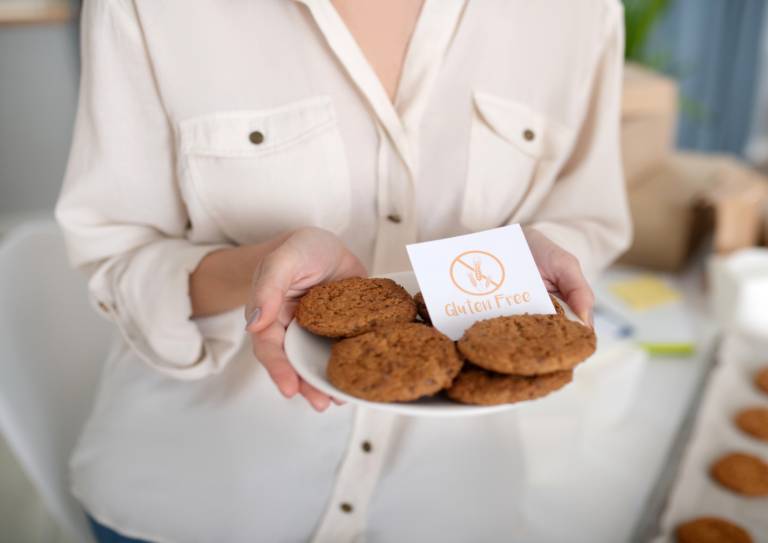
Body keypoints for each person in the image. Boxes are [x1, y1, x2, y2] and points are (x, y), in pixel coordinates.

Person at [56, 0, 631, 541]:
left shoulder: (576, 14)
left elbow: (586, 221)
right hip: (200, 499)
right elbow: (118, 255)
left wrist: (528, 258)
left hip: (448, 506)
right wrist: (264, 265)